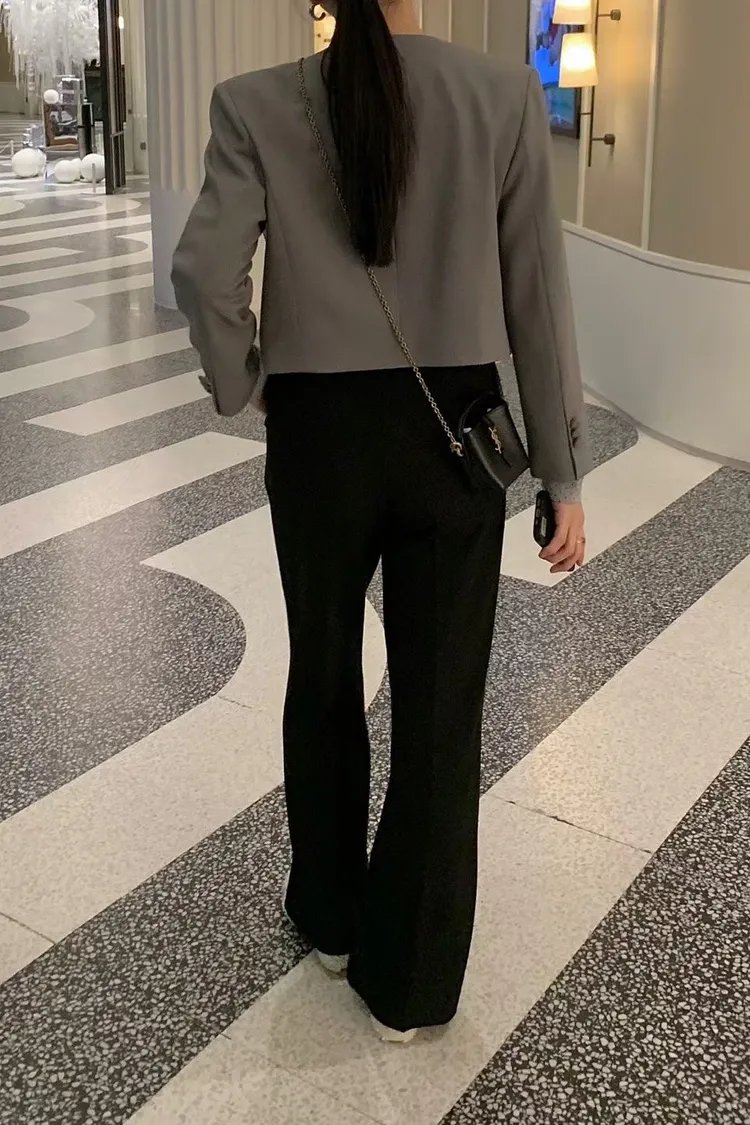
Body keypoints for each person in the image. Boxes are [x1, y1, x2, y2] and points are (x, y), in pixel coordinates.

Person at [172, 0, 591, 1044]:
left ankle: (329, 916)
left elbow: (202, 271)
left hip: (319, 433)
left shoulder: (256, 102)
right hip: (453, 428)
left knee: (322, 672)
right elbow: (538, 297)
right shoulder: (500, 95)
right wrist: (561, 471)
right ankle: (410, 981)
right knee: (440, 702)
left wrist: (245, 379)